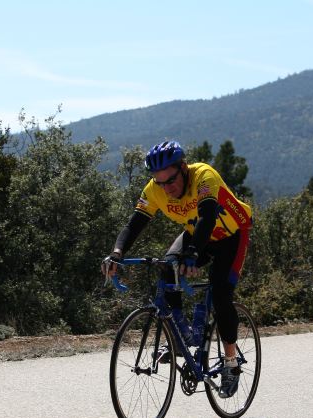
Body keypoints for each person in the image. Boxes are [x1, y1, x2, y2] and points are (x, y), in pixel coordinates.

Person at [103, 140, 252, 398]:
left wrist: (193, 253)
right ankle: (180, 339)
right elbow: (134, 224)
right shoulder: (155, 190)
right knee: (166, 267)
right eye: (160, 182)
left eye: (171, 180)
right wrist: (117, 253)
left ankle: (230, 362)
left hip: (231, 235)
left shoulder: (204, 175)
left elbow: (207, 217)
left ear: (183, 168)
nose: (167, 188)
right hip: (196, 234)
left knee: (220, 294)